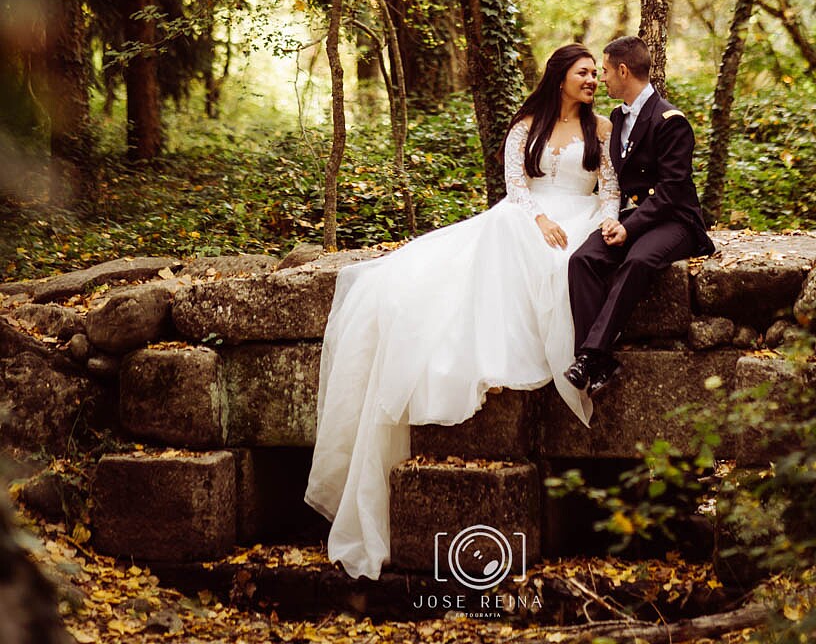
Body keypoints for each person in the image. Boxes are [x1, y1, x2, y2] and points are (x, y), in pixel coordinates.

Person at [304, 43, 621, 580]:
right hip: (530, 216)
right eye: (584, 72)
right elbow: (516, 188)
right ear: (560, 76)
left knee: (565, 262)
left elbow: (611, 189)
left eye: (596, 73)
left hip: (584, 218)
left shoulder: (604, 130)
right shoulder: (526, 126)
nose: (593, 79)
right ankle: (486, 358)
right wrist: (540, 219)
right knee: (502, 236)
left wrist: (607, 220)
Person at [564, 35, 715, 398]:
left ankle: (589, 356)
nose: (601, 79)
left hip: (676, 221)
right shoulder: (619, 117)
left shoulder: (671, 121)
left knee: (637, 261)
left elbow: (670, 192)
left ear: (623, 70)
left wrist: (628, 228)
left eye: (605, 71)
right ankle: (601, 363)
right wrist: (615, 220)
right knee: (582, 260)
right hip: (636, 217)